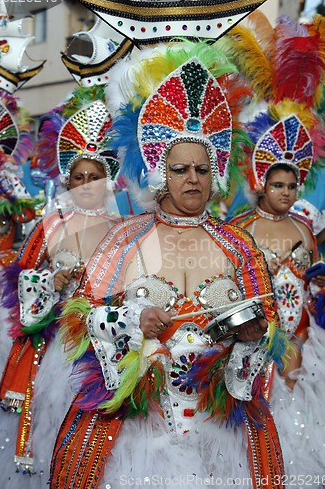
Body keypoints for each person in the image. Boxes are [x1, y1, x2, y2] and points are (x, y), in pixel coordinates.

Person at [51, 45, 289, 489]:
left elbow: (269, 322)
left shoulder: (238, 244)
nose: (193, 179)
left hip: (222, 430)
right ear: (161, 171)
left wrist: (254, 335)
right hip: (137, 429)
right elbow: (81, 319)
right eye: (180, 169)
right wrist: (133, 320)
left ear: (215, 171)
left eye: (202, 168)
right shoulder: (124, 239)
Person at [0, 100, 120, 486]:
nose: (86, 184)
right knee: (51, 421)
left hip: (105, 347)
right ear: (68, 179)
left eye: (94, 177)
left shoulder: (124, 228)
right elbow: (22, 285)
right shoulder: (51, 225)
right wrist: (53, 283)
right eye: (79, 176)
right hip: (57, 350)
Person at [231, 114, 325, 481]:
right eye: (277, 185)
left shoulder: (305, 230)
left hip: (303, 337)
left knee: (303, 413)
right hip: (256, 342)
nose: (285, 192)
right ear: (260, 184)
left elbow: (310, 289)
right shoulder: (241, 229)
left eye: (291, 185)